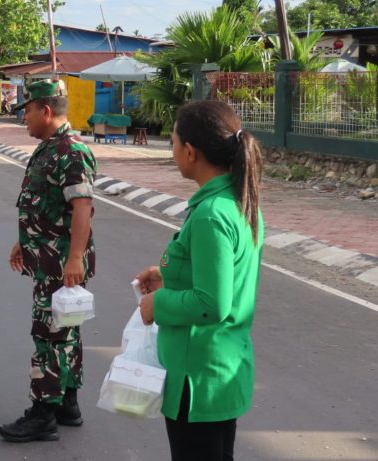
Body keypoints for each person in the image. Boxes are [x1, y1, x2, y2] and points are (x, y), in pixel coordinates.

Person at [135, 100, 264, 461]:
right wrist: (168, 275)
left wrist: (156, 304)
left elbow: (212, 304)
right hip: (221, 368)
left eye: (173, 141)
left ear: (190, 152)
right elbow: (227, 272)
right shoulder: (236, 201)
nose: (172, 149)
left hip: (198, 377)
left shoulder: (211, 215)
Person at [0, 79, 97, 443]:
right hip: (49, 257)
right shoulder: (50, 149)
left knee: (49, 335)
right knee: (67, 330)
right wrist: (23, 242)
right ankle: (68, 402)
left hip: (60, 265)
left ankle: (42, 414)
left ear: (45, 110)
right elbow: (48, 207)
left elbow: (82, 207)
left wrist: (73, 260)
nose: (23, 117)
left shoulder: (70, 151)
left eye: (27, 110)